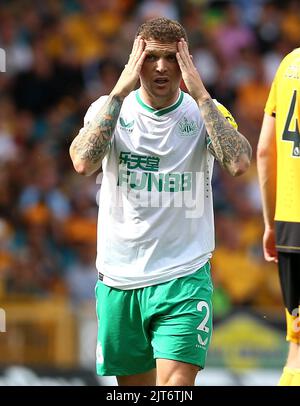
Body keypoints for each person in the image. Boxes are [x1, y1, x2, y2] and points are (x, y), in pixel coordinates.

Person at [70, 17, 251, 386]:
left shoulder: (205, 111)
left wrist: (202, 96)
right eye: (151, 56)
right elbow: (83, 162)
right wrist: (118, 94)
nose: (162, 66)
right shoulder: (108, 109)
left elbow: (239, 163)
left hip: (183, 276)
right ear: (136, 60)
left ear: (186, 63)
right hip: (119, 279)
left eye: (172, 58)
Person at [257, 48, 300, 386]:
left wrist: (270, 224)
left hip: (288, 223)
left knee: (297, 348)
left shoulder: (289, 64)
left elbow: (264, 150)